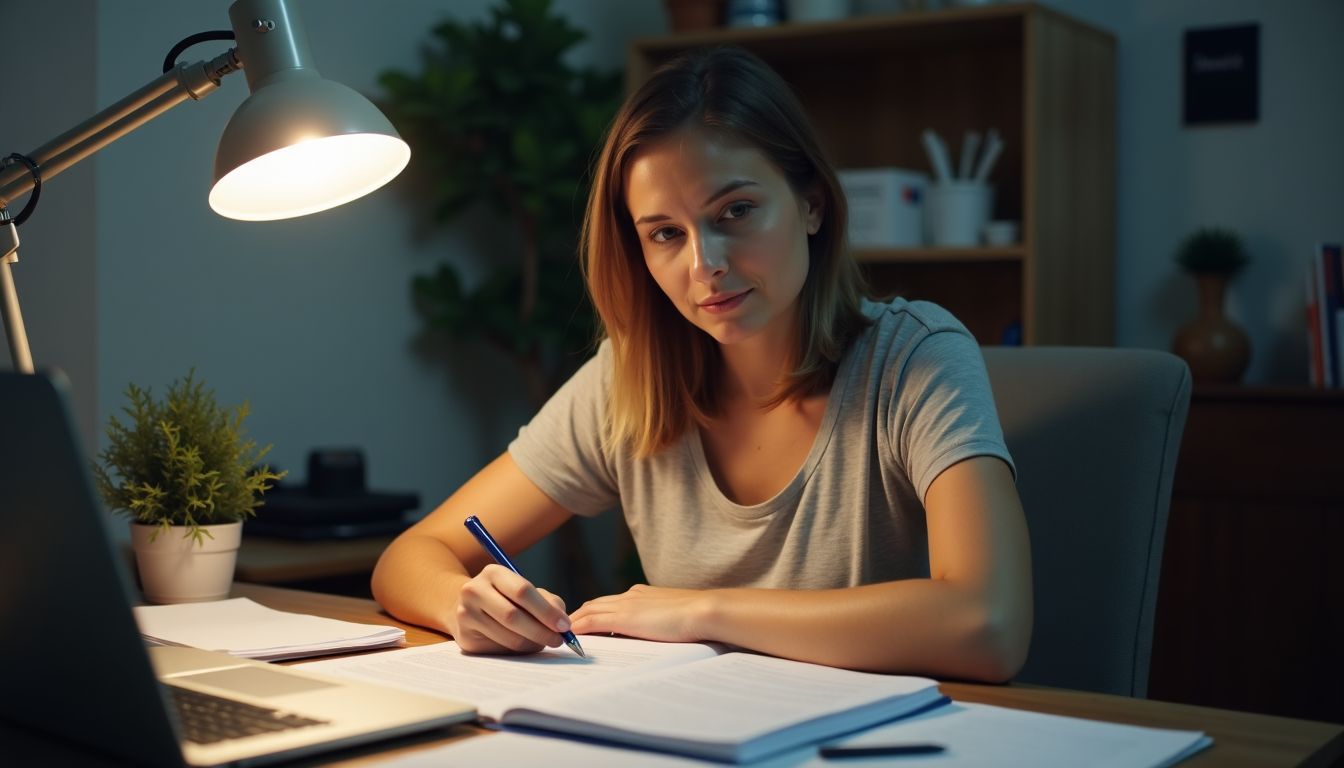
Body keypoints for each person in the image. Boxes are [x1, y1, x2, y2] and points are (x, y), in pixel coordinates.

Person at [372, 46, 1032, 682]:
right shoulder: (627, 378)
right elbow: (409, 558)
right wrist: (465, 604)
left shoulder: (915, 357)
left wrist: (697, 610)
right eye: (665, 233)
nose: (703, 265)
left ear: (811, 203)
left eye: (735, 212)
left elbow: (988, 625)